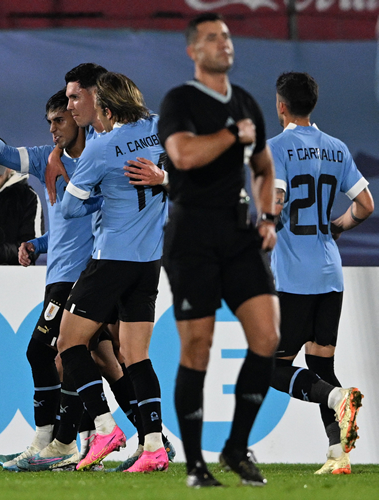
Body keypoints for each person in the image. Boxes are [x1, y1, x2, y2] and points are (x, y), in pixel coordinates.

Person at [0, 83, 150, 471]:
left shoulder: (103, 154)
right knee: (103, 358)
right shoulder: (44, 158)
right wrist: (40, 243)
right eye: (51, 120)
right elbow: (2, 154)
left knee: (45, 350)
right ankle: (139, 439)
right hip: (63, 271)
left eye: (62, 118)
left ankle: (58, 441)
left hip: (86, 273)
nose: (53, 127)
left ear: (83, 117)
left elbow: (90, 207)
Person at [157, 13, 280, 487]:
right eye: (212, 38)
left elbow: (265, 167)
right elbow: (183, 155)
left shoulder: (246, 101)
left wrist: (268, 217)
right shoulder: (180, 100)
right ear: (193, 50)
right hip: (191, 236)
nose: (223, 44)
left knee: (267, 338)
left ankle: (235, 446)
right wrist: (232, 134)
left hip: (237, 233)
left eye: (226, 37)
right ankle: (194, 465)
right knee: (198, 348)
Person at [58, 72, 170, 473]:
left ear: (105, 109)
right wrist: (164, 180)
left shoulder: (102, 147)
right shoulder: (162, 128)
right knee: (135, 355)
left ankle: (105, 427)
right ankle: (154, 446)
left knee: (69, 345)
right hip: (149, 261)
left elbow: (70, 207)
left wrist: (97, 196)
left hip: (111, 260)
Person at [267, 71, 372, 475]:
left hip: (295, 278)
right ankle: (338, 455)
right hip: (331, 274)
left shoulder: (276, 148)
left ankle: (336, 401)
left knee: (272, 368)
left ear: (281, 105)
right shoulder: (337, 148)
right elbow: (365, 205)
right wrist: (337, 228)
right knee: (321, 366)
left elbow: (274, 205)